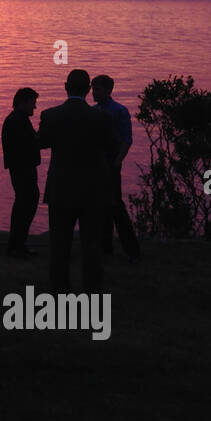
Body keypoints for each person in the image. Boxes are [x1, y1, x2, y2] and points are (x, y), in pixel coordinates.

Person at [37, 69, 116, 293]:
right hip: (93, 191)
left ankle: (60, 290)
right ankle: (92, 291)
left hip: (61, 189)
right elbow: (112, 147)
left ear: (65, 86)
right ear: (88, 89)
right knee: (92, 245)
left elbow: (41, 143)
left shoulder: (50, 115)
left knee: (59, 244)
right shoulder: (102, 117)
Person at [91, 74, 141, 263]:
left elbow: (127, 139)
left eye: (98, 89)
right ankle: (105, 247)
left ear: (108, 90)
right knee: (101, 206)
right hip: (97, 163)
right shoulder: (93, 111)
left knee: (115, 205)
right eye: (93, 88)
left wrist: (119, 159)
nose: (94, 93)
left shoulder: (119, 111)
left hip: (111, 163)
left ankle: (132, 250)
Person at [1, 87, 40, 257]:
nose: (35, 107)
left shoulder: (17, 119)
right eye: (33, 103)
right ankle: (17, 245)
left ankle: (17, 244)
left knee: (24, 204)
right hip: (23, 168)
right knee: (26, 204)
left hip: (21, 167)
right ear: (22, 103)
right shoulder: (18, 120)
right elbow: (30, 142)